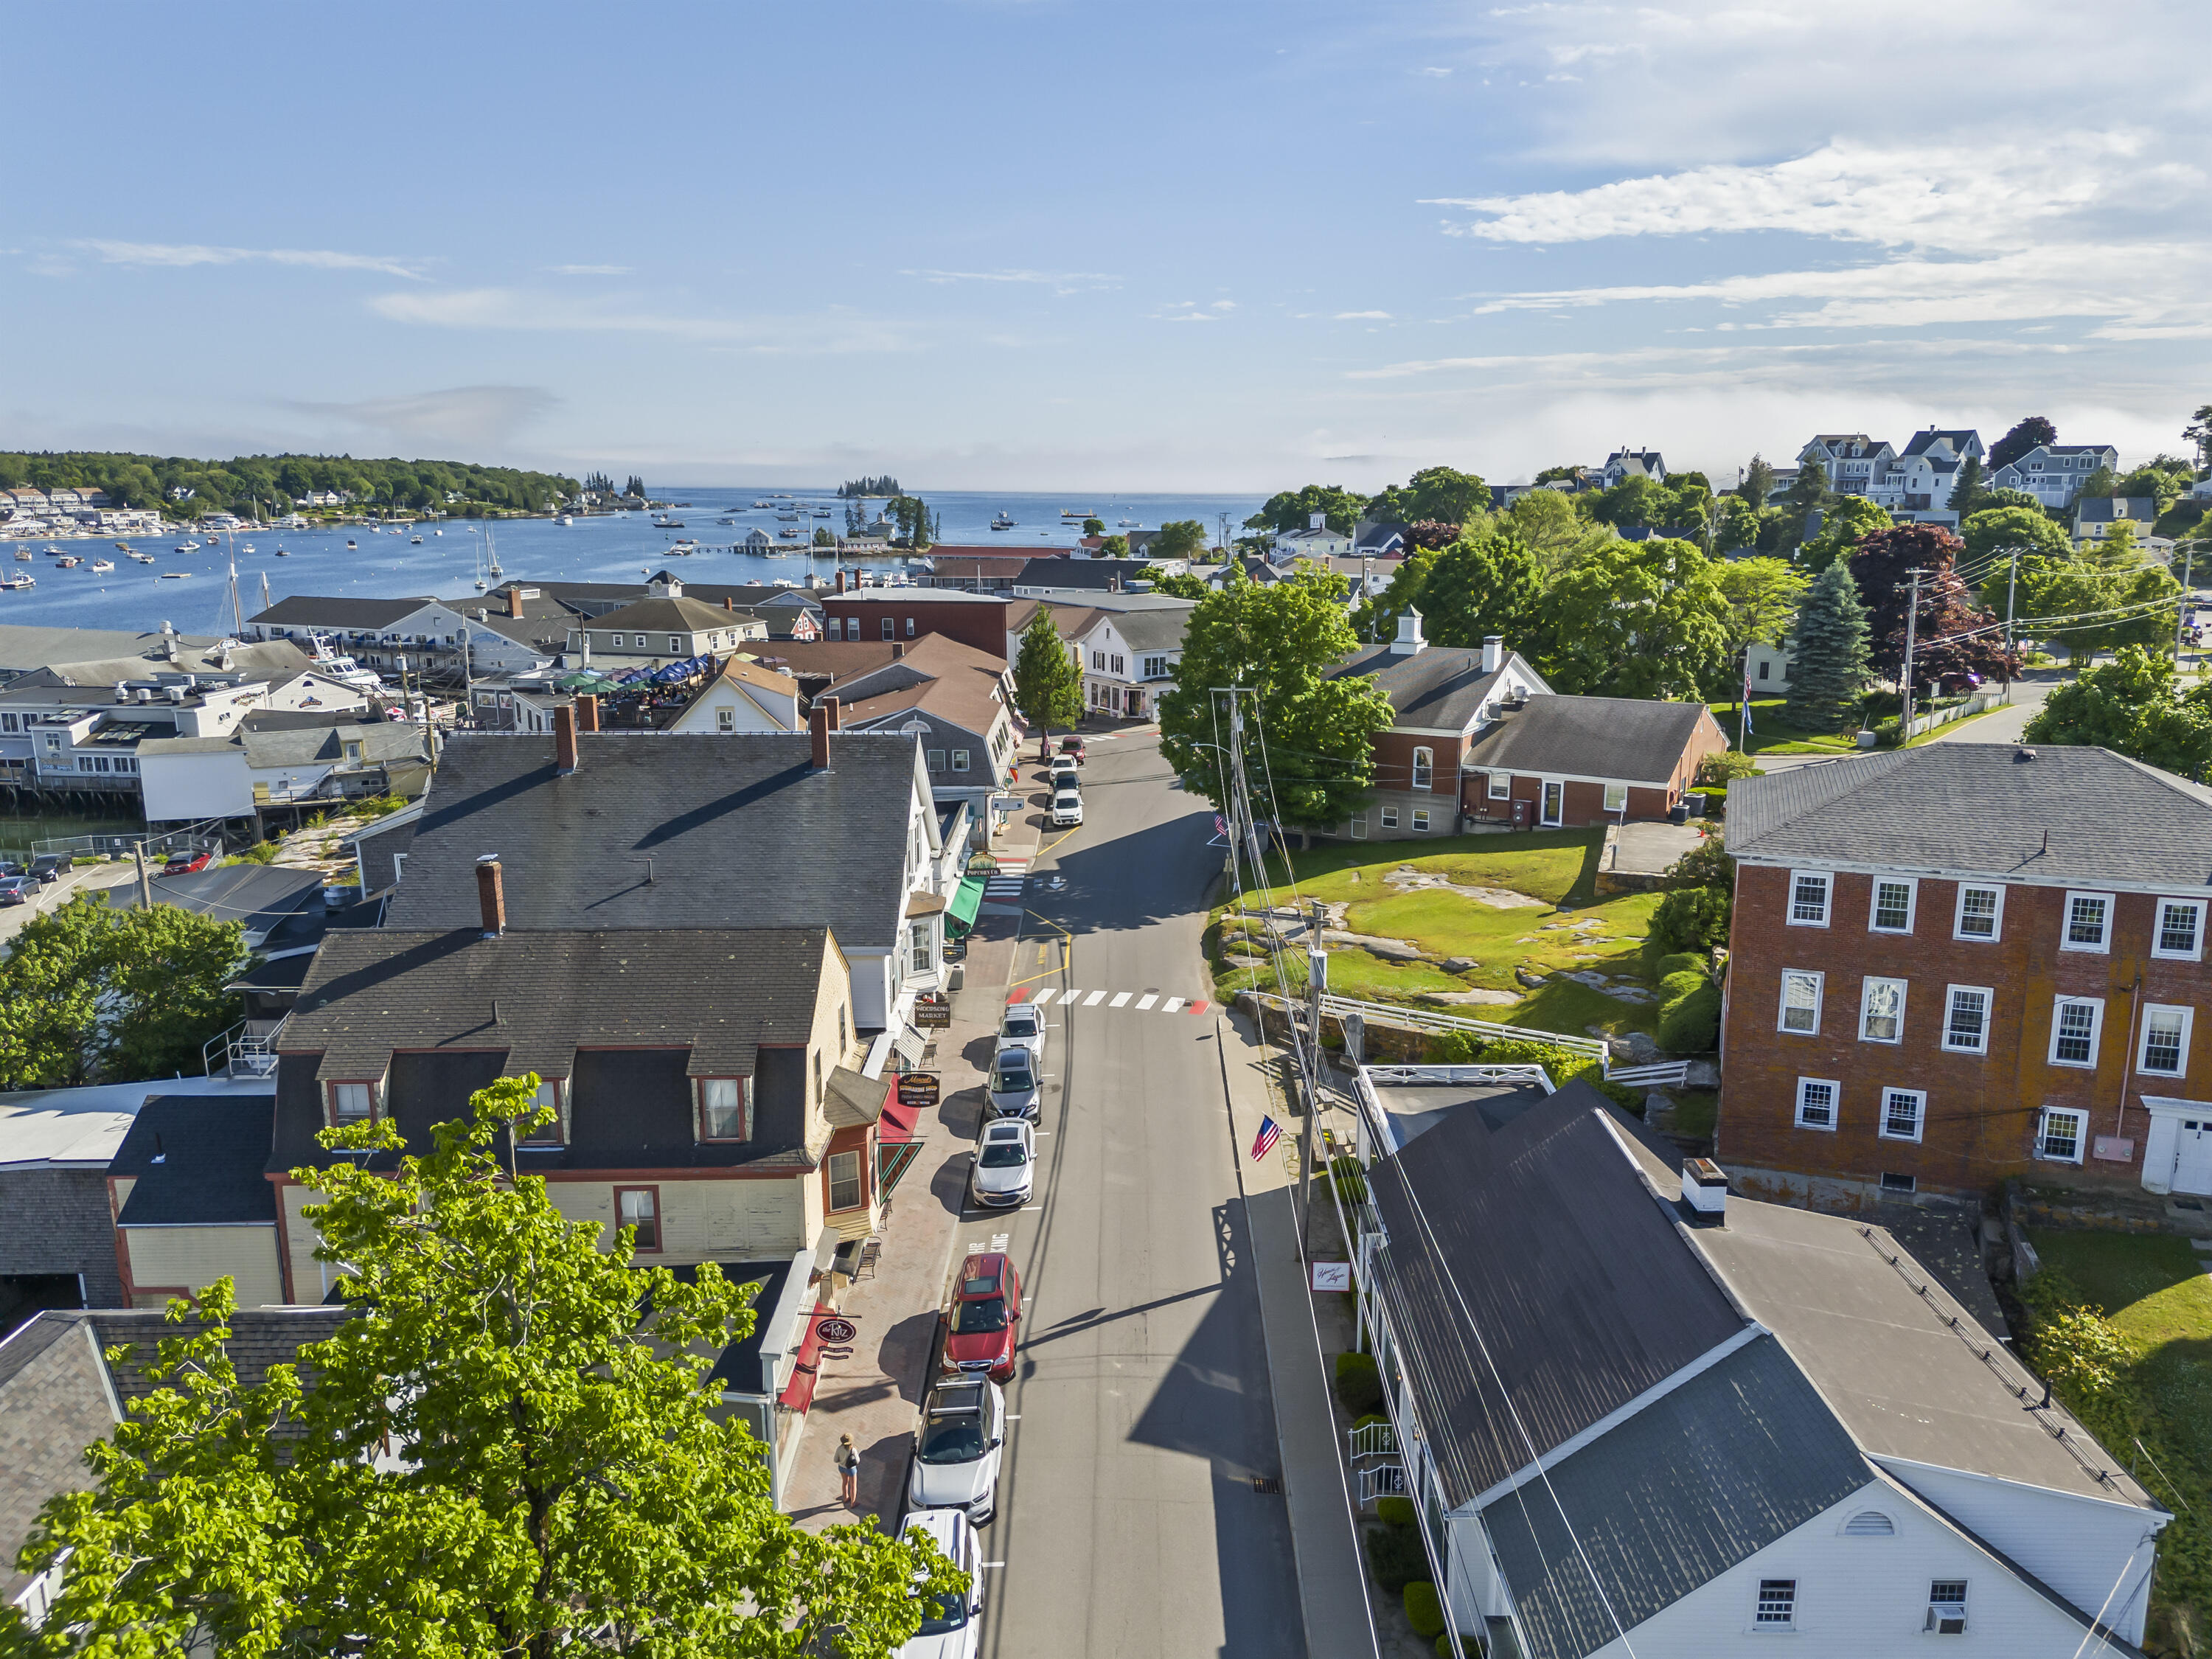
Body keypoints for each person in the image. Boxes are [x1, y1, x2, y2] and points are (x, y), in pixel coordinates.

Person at [835, 1433, 860, 1507]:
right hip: (851, 1470)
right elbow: (858, 1461)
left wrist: (842, 1461)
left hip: (841, 1468)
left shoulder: (839, 1449)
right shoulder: (853, 1450)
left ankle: (845, 1498)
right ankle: (853, 1503)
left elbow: (835, 1460)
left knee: (845, 1482)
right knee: (853, 1486)